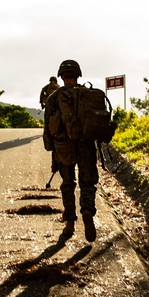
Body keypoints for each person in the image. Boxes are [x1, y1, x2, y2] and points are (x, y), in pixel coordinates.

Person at [42, 59, 98, 242]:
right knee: (87, 183)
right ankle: (88, 210)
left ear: (61, 76)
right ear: (78, 75)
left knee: (68, 183)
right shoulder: (88, 94)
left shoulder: (54, 98)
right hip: (86, 145)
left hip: (63, 147)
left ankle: (70, 223)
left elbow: (47, 127)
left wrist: (51, 149)